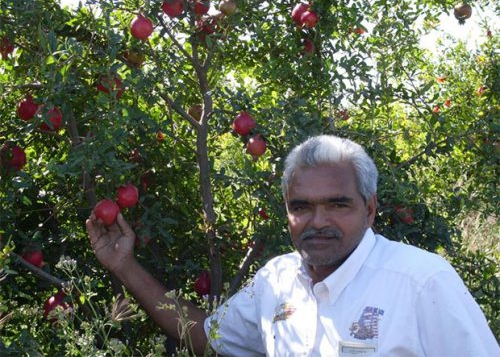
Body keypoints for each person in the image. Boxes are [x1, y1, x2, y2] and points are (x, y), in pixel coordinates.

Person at [86, 135, 499, 356]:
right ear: (286, 211)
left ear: (370, 210)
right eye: (301, 207)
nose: (318, 222)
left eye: (337, 204)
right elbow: (203, 338)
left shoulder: (421, 282)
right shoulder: (276, 281)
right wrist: (125, 266)